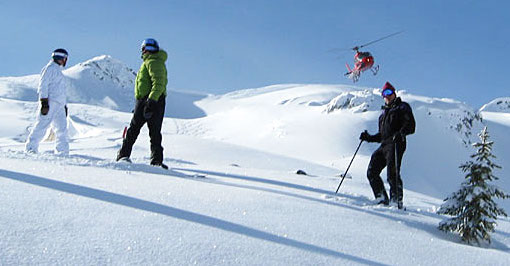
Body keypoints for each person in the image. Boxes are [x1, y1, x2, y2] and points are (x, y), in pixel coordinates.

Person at [359, 81, 415, 209]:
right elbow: (382, 136)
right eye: (384, 94)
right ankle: (381, 198)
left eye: (389, 93)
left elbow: (411, 126)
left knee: (392, 173)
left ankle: (396, 202)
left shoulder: (402, 107)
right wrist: (368, 138)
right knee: (372, 171)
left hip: (396, 144)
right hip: (385, 145)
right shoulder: (383, 115)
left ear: (394, 94)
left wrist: (401, 133)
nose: (387, 96)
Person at [116, 38, 168, 168]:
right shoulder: (149, 62)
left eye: (151, 49)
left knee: (145, 130)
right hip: (147, 100)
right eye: (146, 49)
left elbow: (159, 83)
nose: (148, 51)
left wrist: (151, 101)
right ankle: (154, 160)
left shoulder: (154, 62)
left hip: (152, 100)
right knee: (140, 129)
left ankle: (125, 155)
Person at [25, 48, 70, 155]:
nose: (65, 61)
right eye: (65, 58)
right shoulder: (49, 69)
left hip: (59, 104)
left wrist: (64, 106)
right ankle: (31, 148)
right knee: (42, 125)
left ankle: (62, 152)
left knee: (62, 129)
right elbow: (43, 85)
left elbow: (60, 90)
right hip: (50, 102)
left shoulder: (58, 71)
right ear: (61, 57)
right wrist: (44, 102)